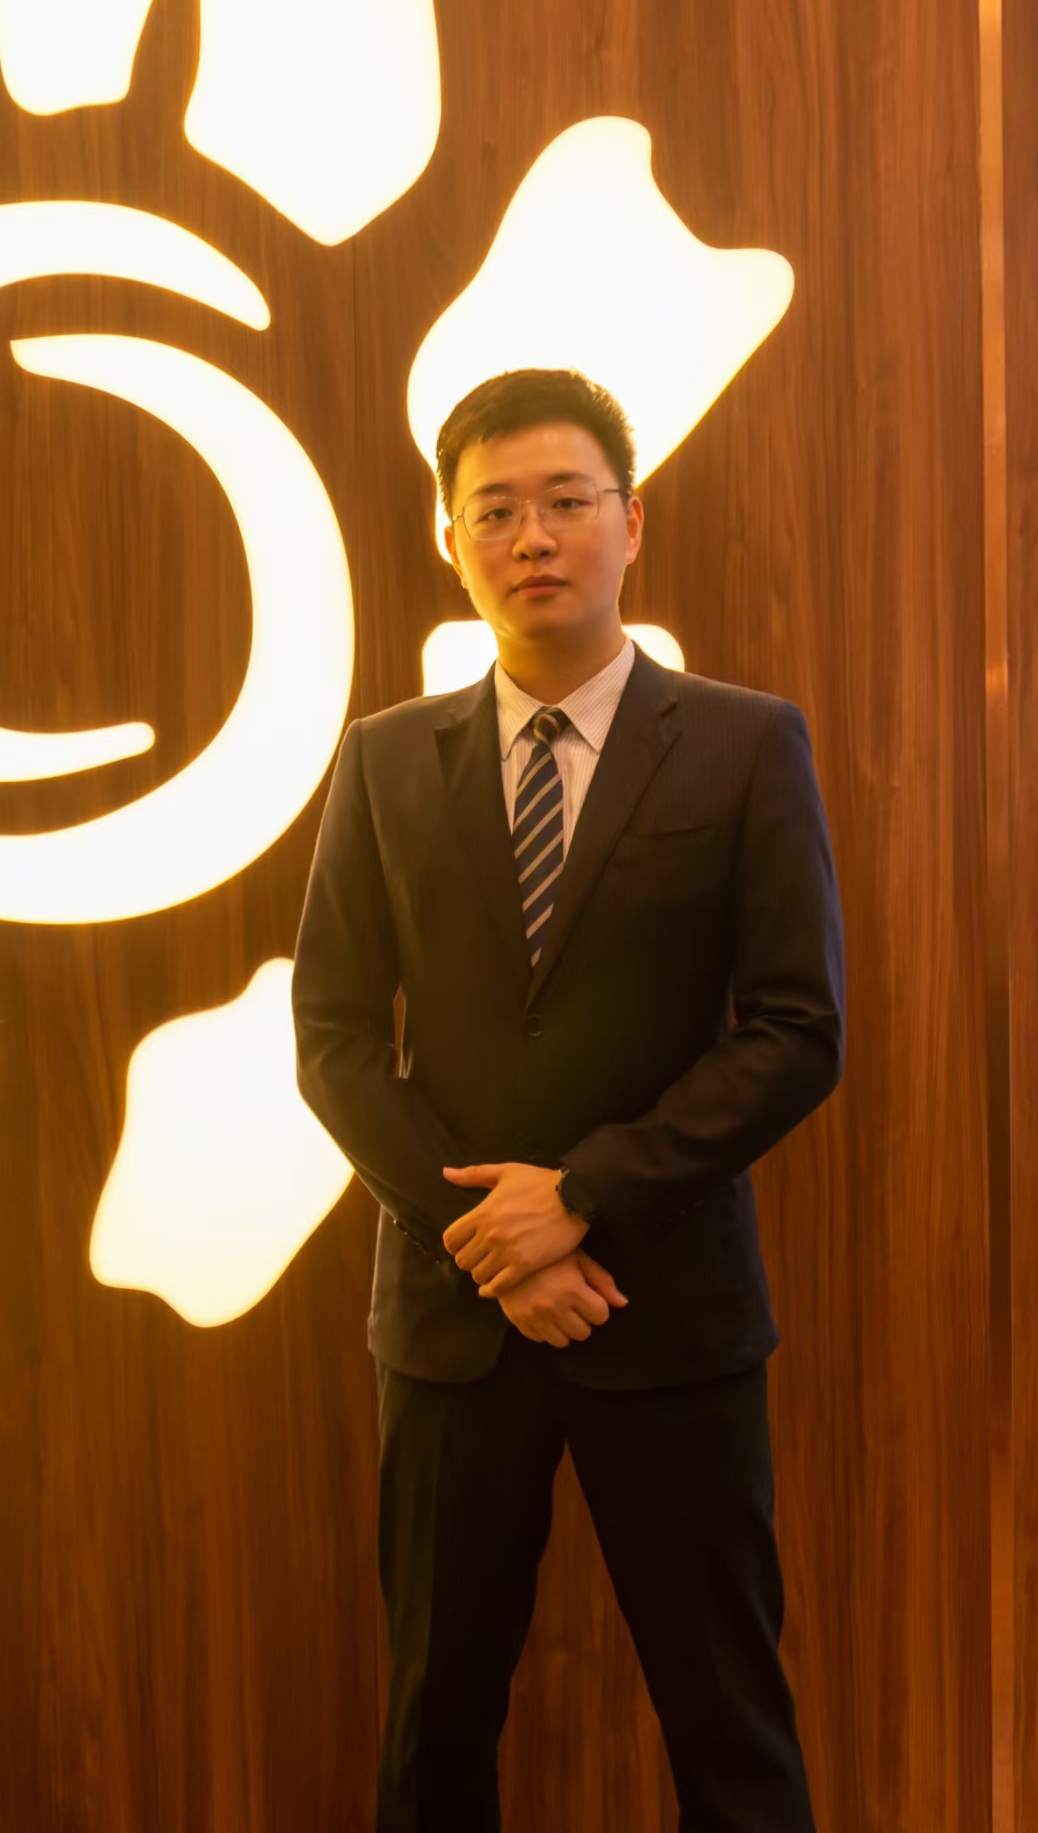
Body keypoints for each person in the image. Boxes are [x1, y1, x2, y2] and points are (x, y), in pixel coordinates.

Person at [291, 366, 844, 1832]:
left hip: (668, 1313)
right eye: (495, 510)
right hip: (453, 1323)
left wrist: (582, 1197)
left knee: (731, 1725)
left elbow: (798, 1030)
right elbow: (332, 1038)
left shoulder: (744, 743)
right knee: (434, 1725)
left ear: (630, 522)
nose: (531, 535)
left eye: (564, 501)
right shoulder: (384, 760)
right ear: (449, 539)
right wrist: (491, 1238)